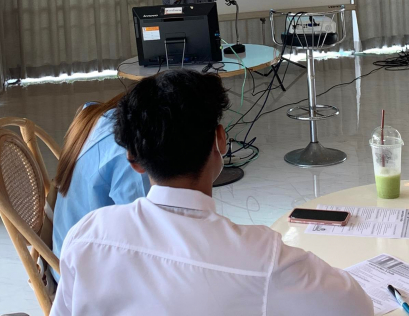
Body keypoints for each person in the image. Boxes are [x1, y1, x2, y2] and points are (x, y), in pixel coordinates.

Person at [51, 70, 373, 316]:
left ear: (133, 160)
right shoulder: (262, 257)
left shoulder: (86, 236)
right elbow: (356, 305)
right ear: (220, 140)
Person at [52, 92, 150, 277]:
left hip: (64, 255)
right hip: (83, 277)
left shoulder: (98, 116)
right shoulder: (127, 156)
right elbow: (144, 237)